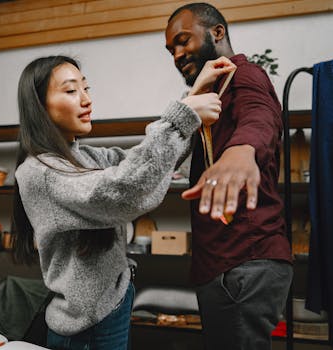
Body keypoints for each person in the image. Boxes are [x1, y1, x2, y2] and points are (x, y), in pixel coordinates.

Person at [11, 55, 233, 350]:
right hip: (86, 327)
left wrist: (191, 97)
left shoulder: (87, 157)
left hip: (109, 308)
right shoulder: (38, 172)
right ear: (39, 106)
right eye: (71, 90)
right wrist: (183, 116)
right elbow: (125, 188)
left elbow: (147, 163)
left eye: (86, 88)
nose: (86, 99)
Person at [165, 3, 293, 350]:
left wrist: (242, 150)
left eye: (182, 41)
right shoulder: (210, 93)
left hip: (245, 261)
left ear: (217, 32)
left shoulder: (245, 75)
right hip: (222, 263)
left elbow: (260, 116)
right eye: (170, 49)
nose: (177, 54)